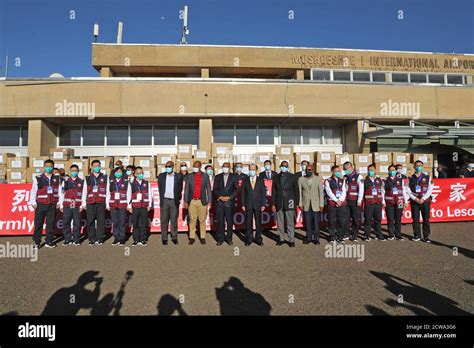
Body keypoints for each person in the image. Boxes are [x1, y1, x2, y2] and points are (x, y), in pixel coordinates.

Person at [28, 159, 61, 248]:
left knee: (50, 224)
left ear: (53, 167)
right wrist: (33, 202)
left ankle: (49, 241)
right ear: (44, 167)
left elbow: (60, 191)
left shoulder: (57, 178)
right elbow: (33, 191)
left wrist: (59, 202)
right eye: (47, 166)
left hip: (52, 204)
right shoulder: (38, 178)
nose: (48, 168)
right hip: (41, 204)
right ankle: (36, 242)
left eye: (50, 166)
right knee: (38, 224)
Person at [183, 161, 212, 245]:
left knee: (202, 220)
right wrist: (185, 201)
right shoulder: (189, 176)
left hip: (202, 201)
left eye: (196, 166)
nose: (194, 168)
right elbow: (186, 189)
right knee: (192, 220)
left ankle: (202, 237)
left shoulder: (205, 176)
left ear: (200, 167)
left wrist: (209, 201)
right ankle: (192, 237)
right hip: (192, 201)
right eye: (193, 166)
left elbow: (209, 190)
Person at [271, 161, 299, 247]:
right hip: (279, 202)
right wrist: (273, 204)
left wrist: (297, 203)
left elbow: (296, 191)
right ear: (280, 166)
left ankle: (291, 239)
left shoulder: (293, 177)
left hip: (290, 201)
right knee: (280, 222)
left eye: (285, 166)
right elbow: (274, 191)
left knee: (290, 222)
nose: (284, 167)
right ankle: (281, 239)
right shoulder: (275, 177)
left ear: (288, 167)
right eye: (282, 166)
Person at [82, 160, 108, 246]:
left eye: (98, 165)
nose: (97, 167)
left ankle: (100, 238)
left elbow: (108, 191)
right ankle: (92, 239)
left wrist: (107, 203)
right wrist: (84, 203)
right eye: (95, 166)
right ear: (92, 167)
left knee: (101, 221)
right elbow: (84, 191)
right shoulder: (88, 178)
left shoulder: (105, 177)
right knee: (90, 221)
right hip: (90, 202)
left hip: (101, 202)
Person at [158, 161, 183, 245]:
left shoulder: (179, 176)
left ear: (173, 167)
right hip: (164, 200)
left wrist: (179, 198)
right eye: (166, 166)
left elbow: (180, 188)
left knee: (174, 220)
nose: (168, 168)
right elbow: (160, 188)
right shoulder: (161, 176)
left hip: (174, 201)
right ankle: (164, 238)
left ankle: (174, 237)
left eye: (169, 166)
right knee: (164, 220)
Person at [407, 160, 433, 242]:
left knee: (426, 219)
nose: (419, 167)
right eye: (417, 165)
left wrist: (423, 198)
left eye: (420, 165)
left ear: (422, 167)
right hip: (415, 201)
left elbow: (430, 189)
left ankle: (426, 236)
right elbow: (408, 190)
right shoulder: (410, 178)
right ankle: (417, 235)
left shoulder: (428, 177)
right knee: (415, 219)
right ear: (414, 167)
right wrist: (415, 199)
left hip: (425, 201)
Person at [298, 163, 324, 245]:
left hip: (316, 204)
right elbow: (300, 193)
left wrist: (321, 204)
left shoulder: (318, 179)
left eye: (310, 170)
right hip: (306, 204)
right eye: (306, 170)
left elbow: (321, 192)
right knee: (307, 223)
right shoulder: (301, 179)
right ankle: (308, 238)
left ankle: (316, 239)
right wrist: (300, 203)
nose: (308, 171)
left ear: (313, 170)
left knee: (316, 223)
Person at [240, 164, 266, 246]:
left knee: (258, 223)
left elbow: (263, 193)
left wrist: (263, 204)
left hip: (258, 204)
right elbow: (243, 193)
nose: (251, 171)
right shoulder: (245, 180)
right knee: (248, 223)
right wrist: (243, 204)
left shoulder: (260, 180)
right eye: (250, 169)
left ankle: (258, 239)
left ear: (256, 170)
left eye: (253, 169)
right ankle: (249, 239)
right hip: (248, 204)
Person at [213, 162, 238, 245]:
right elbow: (215, 188)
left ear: (229, 168)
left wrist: (230, 197)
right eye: (223, 167)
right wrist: (220, 196)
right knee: (220, 222)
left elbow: (236, 189)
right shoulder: (218, 177)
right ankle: (220, 239)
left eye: (226, 167)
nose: (225, 168)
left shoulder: (234, 176)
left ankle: (229, 238)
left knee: (229, 221)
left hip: (229, 202)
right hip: (220, 202)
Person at [59, 164, 84, 246]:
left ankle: (76, 239)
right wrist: (61, 205)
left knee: (77, 222)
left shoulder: (82, 182)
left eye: (75, 171)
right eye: (72, 171)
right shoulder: (65, 181)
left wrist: (82, 205)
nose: (74, 172)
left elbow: (84, 194)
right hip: (67, 205)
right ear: (70, 172)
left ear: (78, 171)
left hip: (77, 205)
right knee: (66, 222)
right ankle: (67, 239)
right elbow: (61, 193)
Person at [106, 167, 131, 246]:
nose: (118, 173)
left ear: (122, 173)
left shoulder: (126, 182)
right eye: (117, 172)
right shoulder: (111, 182)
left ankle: (122, 238)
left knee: (122, 222)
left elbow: (129, 194)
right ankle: (116, 238)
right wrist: (107, 204)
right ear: (114, 173)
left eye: (120, 172)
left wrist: (129, 204)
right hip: (113, 204)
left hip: (122, 204)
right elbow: (107, 194)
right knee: (115, 222)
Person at [384, 164, 409, 241]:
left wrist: (406, 201)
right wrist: (383, 202)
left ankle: (398, 235)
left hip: (399, 201)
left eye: (393, 170)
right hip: (389, 202)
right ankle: (391, 235)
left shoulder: (401, 180)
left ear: (396, 171)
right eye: (390, 170)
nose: (392, 171)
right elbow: (382, 192)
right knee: (390, 219)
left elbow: (404, 191)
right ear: (388, 171)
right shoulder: (385, 180)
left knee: (398, 219)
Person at [324, 165, 347, 243]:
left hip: (341, 204)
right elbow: (328, 192)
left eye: (339, 171)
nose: (338, 173)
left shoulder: (342, 180)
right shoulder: (328, 180)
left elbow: (344, 191)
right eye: (336, 171)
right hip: (332, 204)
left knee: (341, 220)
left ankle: (339, 235)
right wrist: (336, 200)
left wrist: (340, 200)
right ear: (332, 171)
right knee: (331, 221)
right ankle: (332, 236)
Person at [363, 164, 386, 241]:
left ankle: (379, 235)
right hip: (369, 203)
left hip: (378, 203)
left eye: (372, 170)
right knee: (368, 220)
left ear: (375, 170)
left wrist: (383, 201)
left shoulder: (380, 180)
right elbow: (361, 192)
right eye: (369, 170)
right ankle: (367, 235)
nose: (370, 172)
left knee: (378, 220)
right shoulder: (364, 180)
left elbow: (383, 191)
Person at [130, 166, 152, 246]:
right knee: (135, 224)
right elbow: (128, 195)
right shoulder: (131, 184)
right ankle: (136, 239)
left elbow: (150, 194)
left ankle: (143, 239)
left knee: (144, 224)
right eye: (138, 173)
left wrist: (149, 205)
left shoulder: (146, 183)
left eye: (141, 173)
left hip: (144, 206)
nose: (140, 175)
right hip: (135, 206)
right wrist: (129, 206)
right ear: (135, 174)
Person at [342, 161, 364, 241]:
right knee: (346, 218)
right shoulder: (345, 177)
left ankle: (354, 234)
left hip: (355, 201)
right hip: (347, 201)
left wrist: (359, 200)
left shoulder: (359, 176)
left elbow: (361, 188)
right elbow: (344, 188)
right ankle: (346, 234)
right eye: (344, 169)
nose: (345, 170)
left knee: (355, 218)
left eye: (346, 168)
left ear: (351, 167)